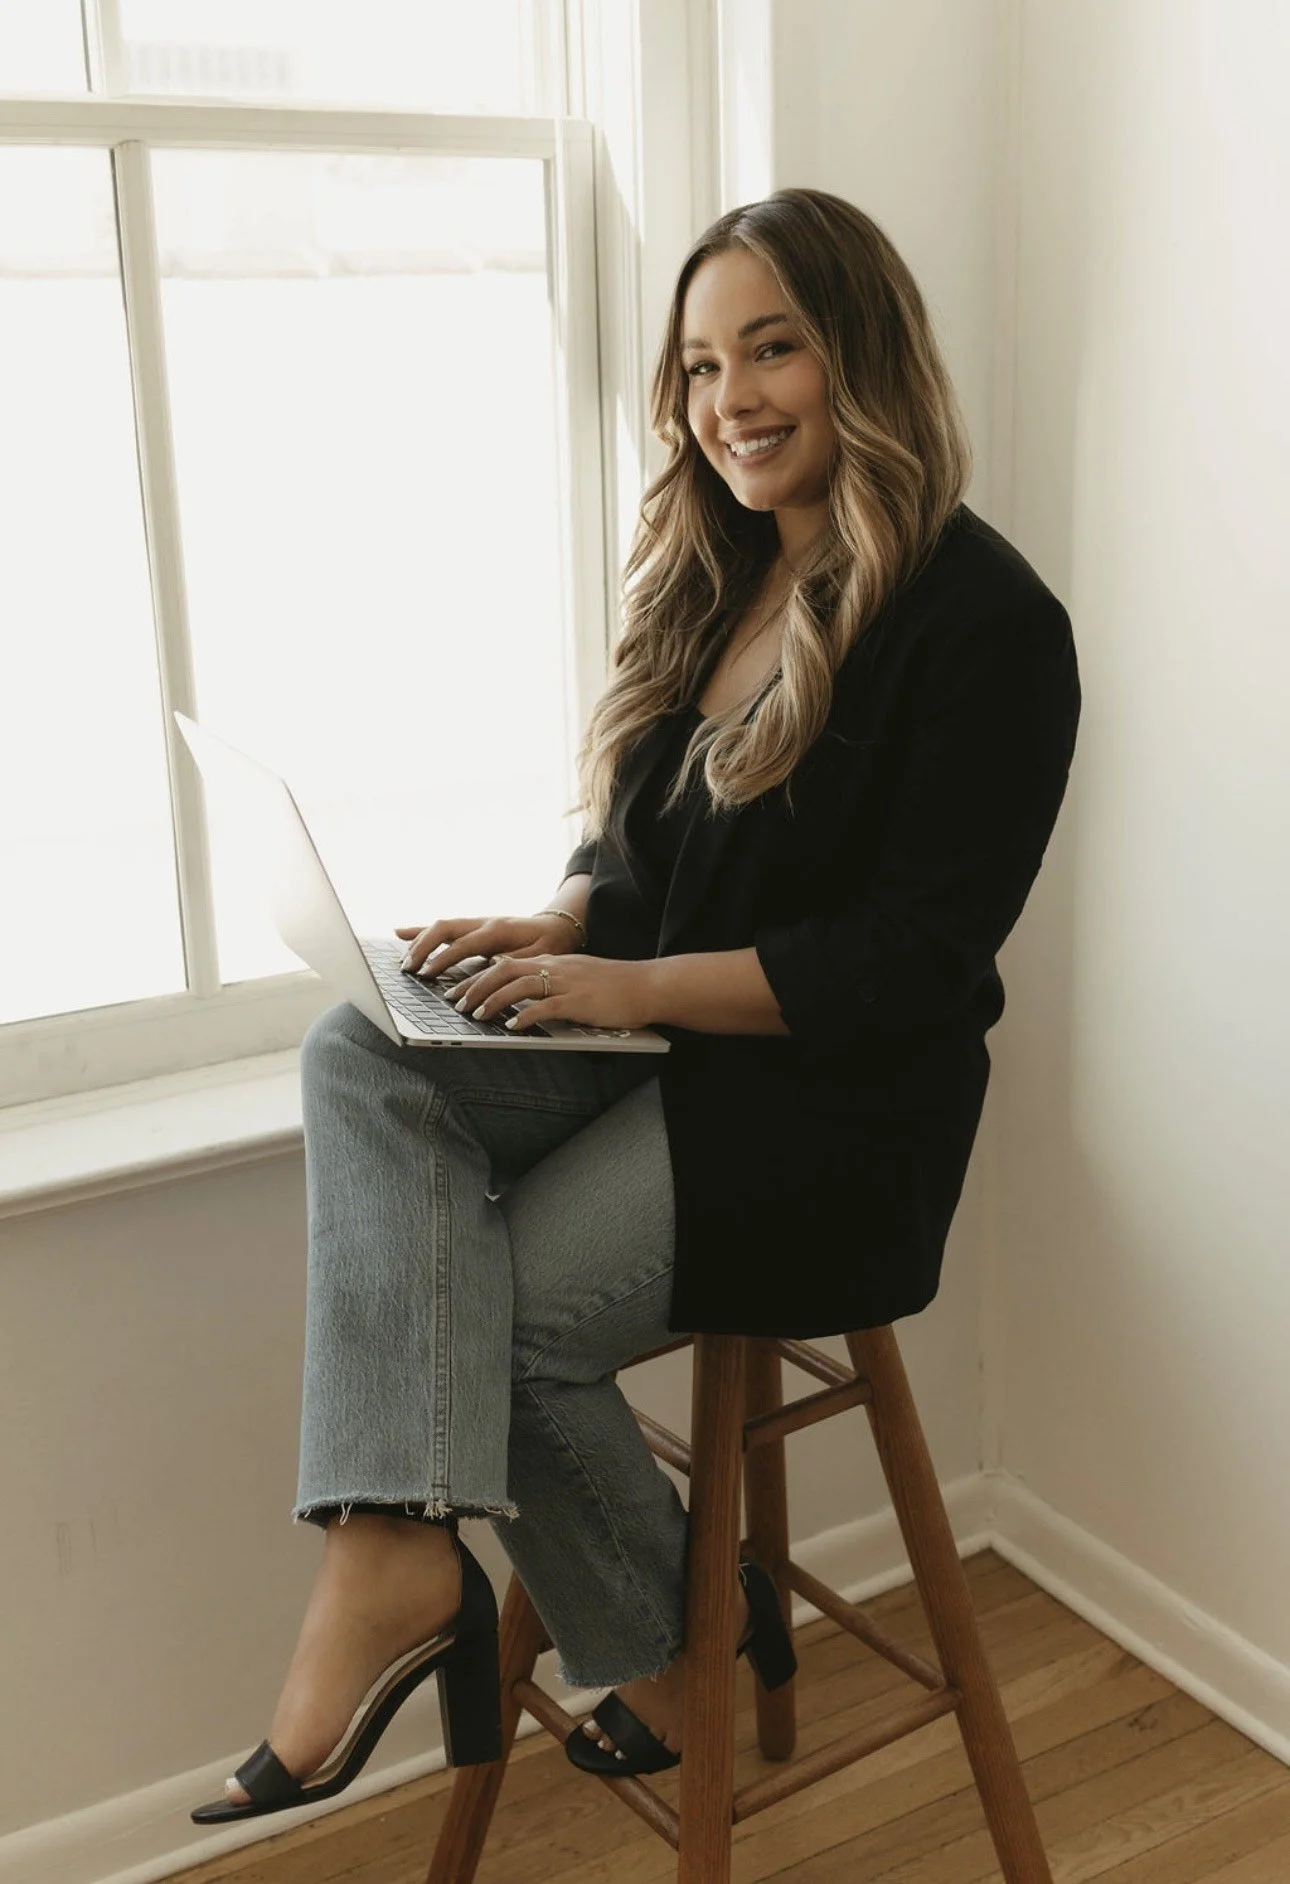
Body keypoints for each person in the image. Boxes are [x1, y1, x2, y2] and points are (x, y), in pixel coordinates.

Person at [191, 186, 1081, 1823]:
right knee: (361, 1051)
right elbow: (653, 846)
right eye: (696, 365)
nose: (728, 398)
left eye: (772, 349)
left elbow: (905, 960)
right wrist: (564, 921)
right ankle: (396, 1554)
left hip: (831, 1117)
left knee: (502, 1325)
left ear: (860, 357)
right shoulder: (722, 570)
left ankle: (661, 1639)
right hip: (672, 1048)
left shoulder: (988, 626)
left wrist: (620, 980)